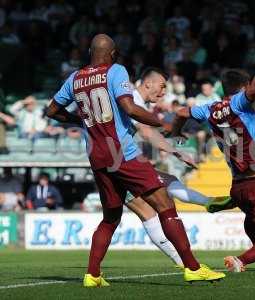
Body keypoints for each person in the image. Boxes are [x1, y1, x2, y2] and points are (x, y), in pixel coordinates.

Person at [46, 34, 225, 287]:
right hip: (122, 152)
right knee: (165, 205)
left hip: (97, 156)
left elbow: (51, 111)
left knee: (110, 218)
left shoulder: (74, 79)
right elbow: (129, 108)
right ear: (112, 53)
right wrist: (163, 122)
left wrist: (80, 120)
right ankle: (193, 268)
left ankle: (93, 275)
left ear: (90, 52)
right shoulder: (115, 70)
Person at [172, 28, 255, 272]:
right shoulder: (239, 102)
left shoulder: (209, 108)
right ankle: (241, 260)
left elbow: (181, 112)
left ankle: (253, 246)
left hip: (238, 187)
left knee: (252, 217)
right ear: (241, 88)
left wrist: (177, 135)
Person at [125, 67, 233, 267]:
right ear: (148, 83)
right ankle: (185, 262)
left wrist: (174, 138)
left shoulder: (135, 100)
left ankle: (208, 204)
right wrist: (177, 152)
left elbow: (150, 130)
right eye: (162, 86)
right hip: (118, 165)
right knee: (149, 213)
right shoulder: (132, 100)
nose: (164, 92)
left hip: (117, 162)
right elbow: (146, 132)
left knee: (168, 185)